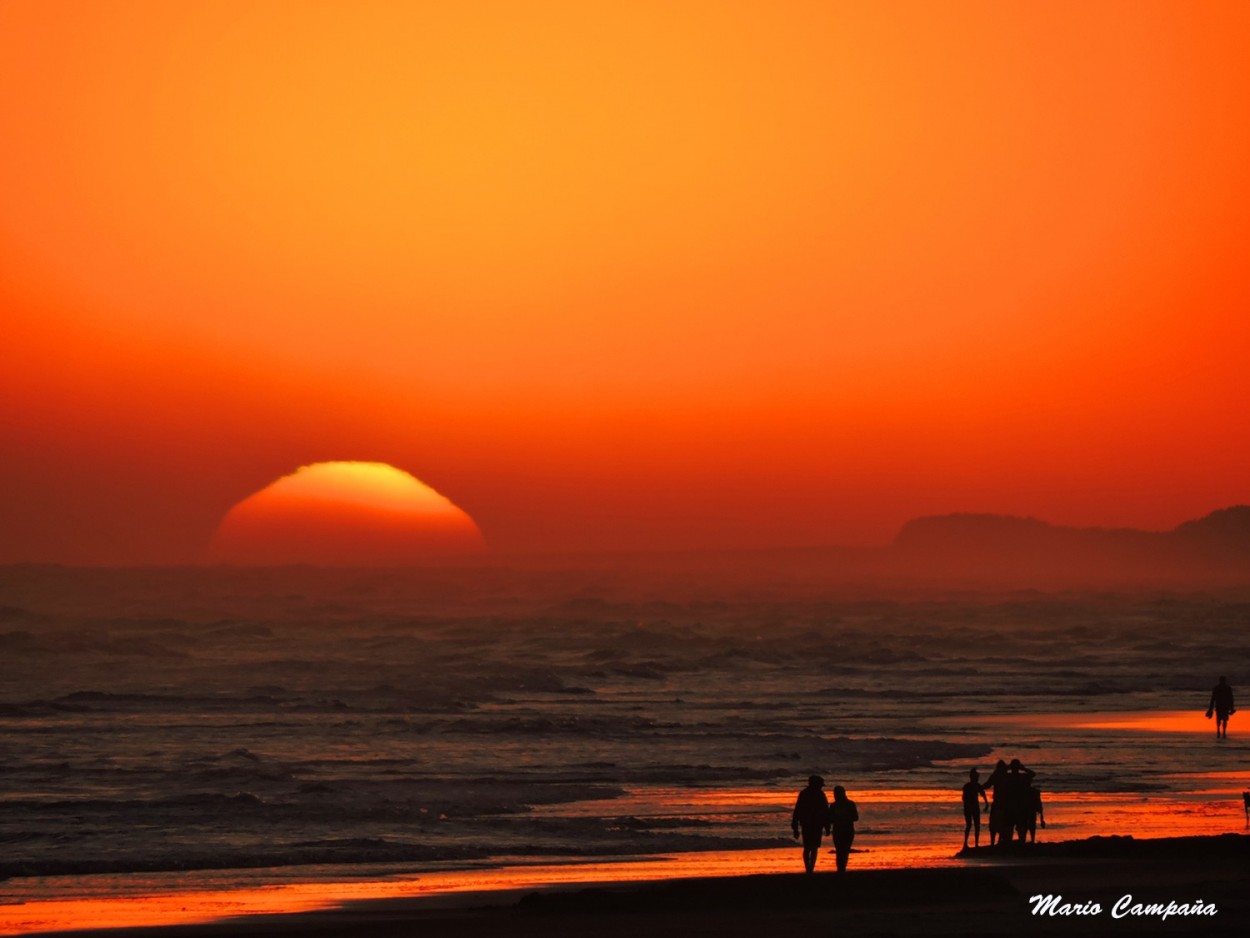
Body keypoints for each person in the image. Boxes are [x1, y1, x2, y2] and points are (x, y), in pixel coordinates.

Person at [791, 775, 829, 873]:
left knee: (808, 847)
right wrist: (827, 826)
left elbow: (797, 810)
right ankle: (810, 867)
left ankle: (808, 867)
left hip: (806, 823)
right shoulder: (820, 794)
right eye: (820, 785)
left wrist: (795, 826)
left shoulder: (803, 794)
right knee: (814, 847)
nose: (821, 786)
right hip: (816, 824)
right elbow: (825, 811)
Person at [828, 785, 859, 872]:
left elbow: (855, 817)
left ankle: (841, 869)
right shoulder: (835, 805)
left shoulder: (849, 804)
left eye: (836, 794)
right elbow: (830, 819)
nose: (835, 795)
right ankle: (841, 869)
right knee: (842, 850)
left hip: (845, 830)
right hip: (842, 830)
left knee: (842, 850)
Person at [961, 768, 990, 849]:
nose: (977, 778)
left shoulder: (969, 786)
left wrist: (986, 803)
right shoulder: (974, 785)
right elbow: (983, 794)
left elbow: (964, 798)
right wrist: (986, 803)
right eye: (976, 777)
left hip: (969, 807)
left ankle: (969, 843)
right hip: (972, 807)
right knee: (973, 825)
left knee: (971, 825)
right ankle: (972, 844)